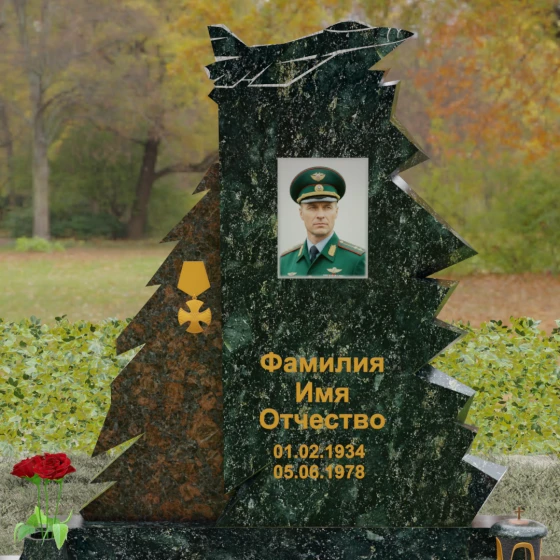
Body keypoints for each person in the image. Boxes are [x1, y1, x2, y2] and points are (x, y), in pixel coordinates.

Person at [280, 166, 366, 277]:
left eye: (327, 207)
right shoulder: (284, 262)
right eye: (312, 207)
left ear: (336, 212)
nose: (320, 215)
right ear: (301, 213)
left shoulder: (357, 260)